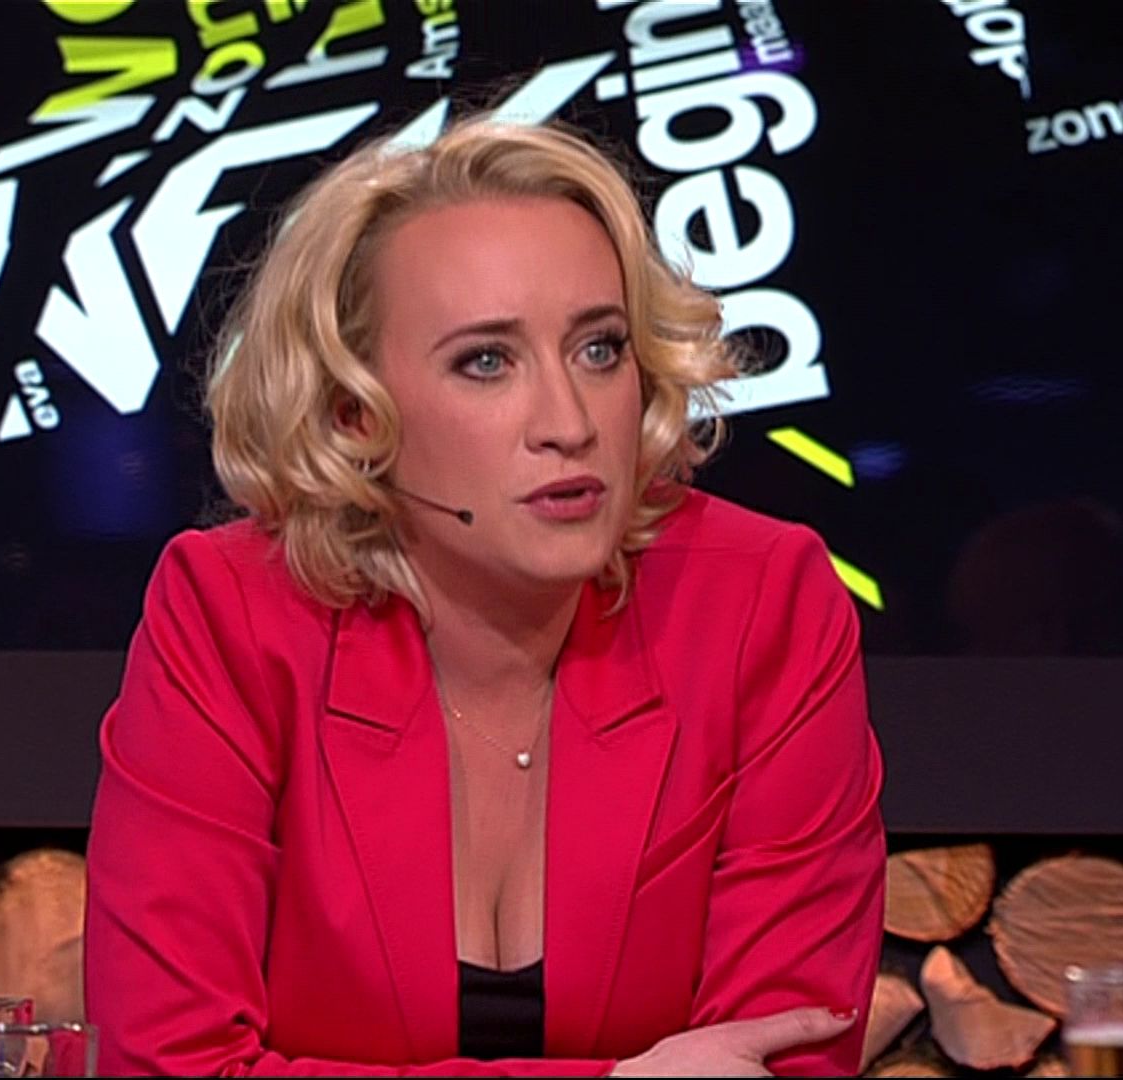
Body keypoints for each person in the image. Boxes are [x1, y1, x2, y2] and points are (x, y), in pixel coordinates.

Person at [84, 117, 886, 1077]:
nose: (569, 423)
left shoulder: (761, 602)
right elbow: (165, 1063)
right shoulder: (232, 615)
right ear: (355, 414)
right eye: (487, 362)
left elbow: (785, 1057)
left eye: (600, 350)